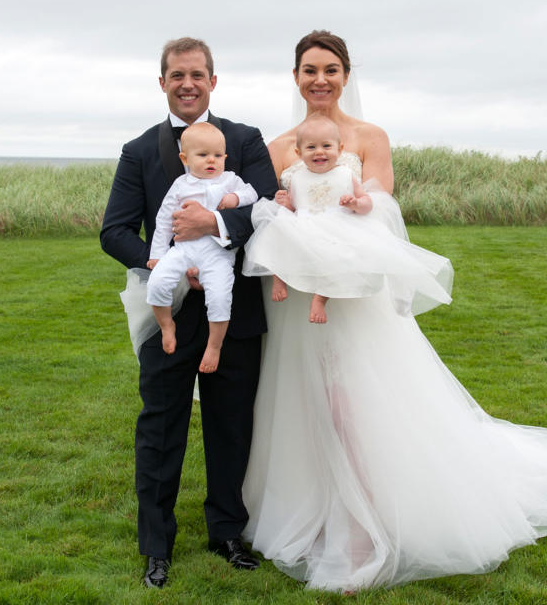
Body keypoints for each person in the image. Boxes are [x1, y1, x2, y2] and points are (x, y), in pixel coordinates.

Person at [240, 30, 547, 593]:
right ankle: (311, 509)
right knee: (305, 399)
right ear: (295, 77)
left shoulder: (369, 136)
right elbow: (268, 211)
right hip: (295, 301)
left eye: (331, 69)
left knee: (350, 403)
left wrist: (353, 216)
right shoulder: (277, 144)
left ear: (347, 75)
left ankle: (364, 523)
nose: (320, 80)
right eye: (309, 69)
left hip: (354, 296)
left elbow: (380, 207)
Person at [100, 37, 277, 589]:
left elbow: (269, 212)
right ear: (162, 83)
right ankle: (157, 543)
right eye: (177, 75)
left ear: (212, 81)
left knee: (231, 425)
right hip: (171, 308)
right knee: (160, 426)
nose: (188, 83)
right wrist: (162, 263)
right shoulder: (138, 151)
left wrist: (217, 229)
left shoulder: (244, 140)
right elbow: (113, 232)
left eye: (197, 74)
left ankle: (226, 531)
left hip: (236, 312)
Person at [243, 114, 452, 324]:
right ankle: (279, 280)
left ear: (340, 149)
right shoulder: (297, 177)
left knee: (338, 260)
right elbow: (296, 206)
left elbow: (368, 202)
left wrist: (355, 203)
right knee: (276, 234)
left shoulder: (345, 174)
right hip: (305, 224)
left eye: (326, 146)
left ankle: (320, 299)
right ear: (299, 153)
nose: (319, 152)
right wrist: (284, 202)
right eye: (311, 147)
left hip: (336, 225)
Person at [146, 122, 258, 372]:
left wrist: (235, 198)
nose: (212, 160)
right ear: (185, 158)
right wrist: (157, 254)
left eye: (218, 155)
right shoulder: (180, 185)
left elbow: (253, 194)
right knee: (157, 282)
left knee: (220, 297)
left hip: (218, 253)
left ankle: (214, 345)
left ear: (225, 157)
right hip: (183, 249)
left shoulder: (230, 180)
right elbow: (164, 219)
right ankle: (166, 326)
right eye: (203, 155)